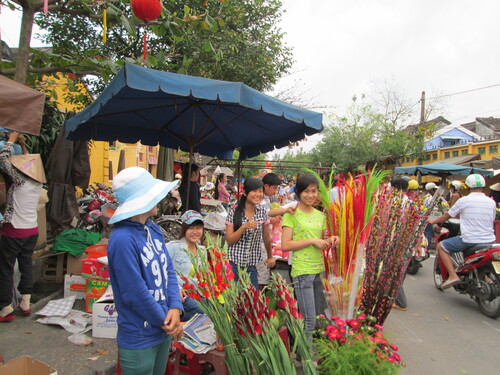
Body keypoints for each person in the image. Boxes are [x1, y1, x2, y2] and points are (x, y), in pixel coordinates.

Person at [107, 167, 183, 375]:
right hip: (139, 336)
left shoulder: (154, 230)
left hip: (163, 329)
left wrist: (175, 307)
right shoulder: (122, 239)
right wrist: (167, 322)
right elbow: (134, 292)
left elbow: (169, 272)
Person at [281, 173, 339, 342]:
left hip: (319, 271)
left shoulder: (320, 216)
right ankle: (306, 360)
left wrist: (332, 240)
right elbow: (286, 245)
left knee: (315, 316)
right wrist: (312, 241)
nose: (311, 195)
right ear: (298, 192)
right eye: (306, 191)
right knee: (309, 319)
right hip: (302, 271)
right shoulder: (291, 214)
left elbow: (323, 241)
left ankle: (301, 353)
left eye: (314, 191)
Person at [0, 132, 45, 322]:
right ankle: (25, 301)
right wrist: (23, 147)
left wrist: (10, 140)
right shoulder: (37, 183)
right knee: (25, 264)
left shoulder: (18, 181)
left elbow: (2, 158)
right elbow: (27, 163)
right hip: (31, 231)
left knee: (5, 268)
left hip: (14, 230)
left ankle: (5, 307)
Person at [428, 174, 496, 290]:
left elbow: (447, 215)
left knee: (441, 246)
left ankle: (453, 276)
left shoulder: (464, 200)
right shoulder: (491, 202)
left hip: (469, 239)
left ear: (468, 186)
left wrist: (434, 221)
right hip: (489, 240)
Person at [226, 178, 275, 288]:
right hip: (233, 263)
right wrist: (243, 227)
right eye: (254, 191)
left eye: (261, 191)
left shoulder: (262, 211)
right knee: (233, 298)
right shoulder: (234, 213)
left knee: (251, 299)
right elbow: (229, 241)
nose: (258, 194)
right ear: (245, 193)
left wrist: (270, 256)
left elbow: (266, 237)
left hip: (251, 265)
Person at [256, 173, 296, 289]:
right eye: (274, 188)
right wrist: (272, 218)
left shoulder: (267, 199)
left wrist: (272, 219)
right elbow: (261, 216)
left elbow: (265, 216)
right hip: (260, 241)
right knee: (261, 277)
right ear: (266, 186)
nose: (275, 191)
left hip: (265, 239)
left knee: (262, 275)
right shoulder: (259, 200)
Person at [166, 210, 206, 321]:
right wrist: (176, 289)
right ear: (184, 229)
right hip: (180, 297)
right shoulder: (173, 248)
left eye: (198, 228)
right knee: (207, 314)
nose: (195, 232)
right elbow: (162, 272)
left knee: (221, 310)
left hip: (198, 295)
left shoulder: (203, 251)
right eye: (191, 228)